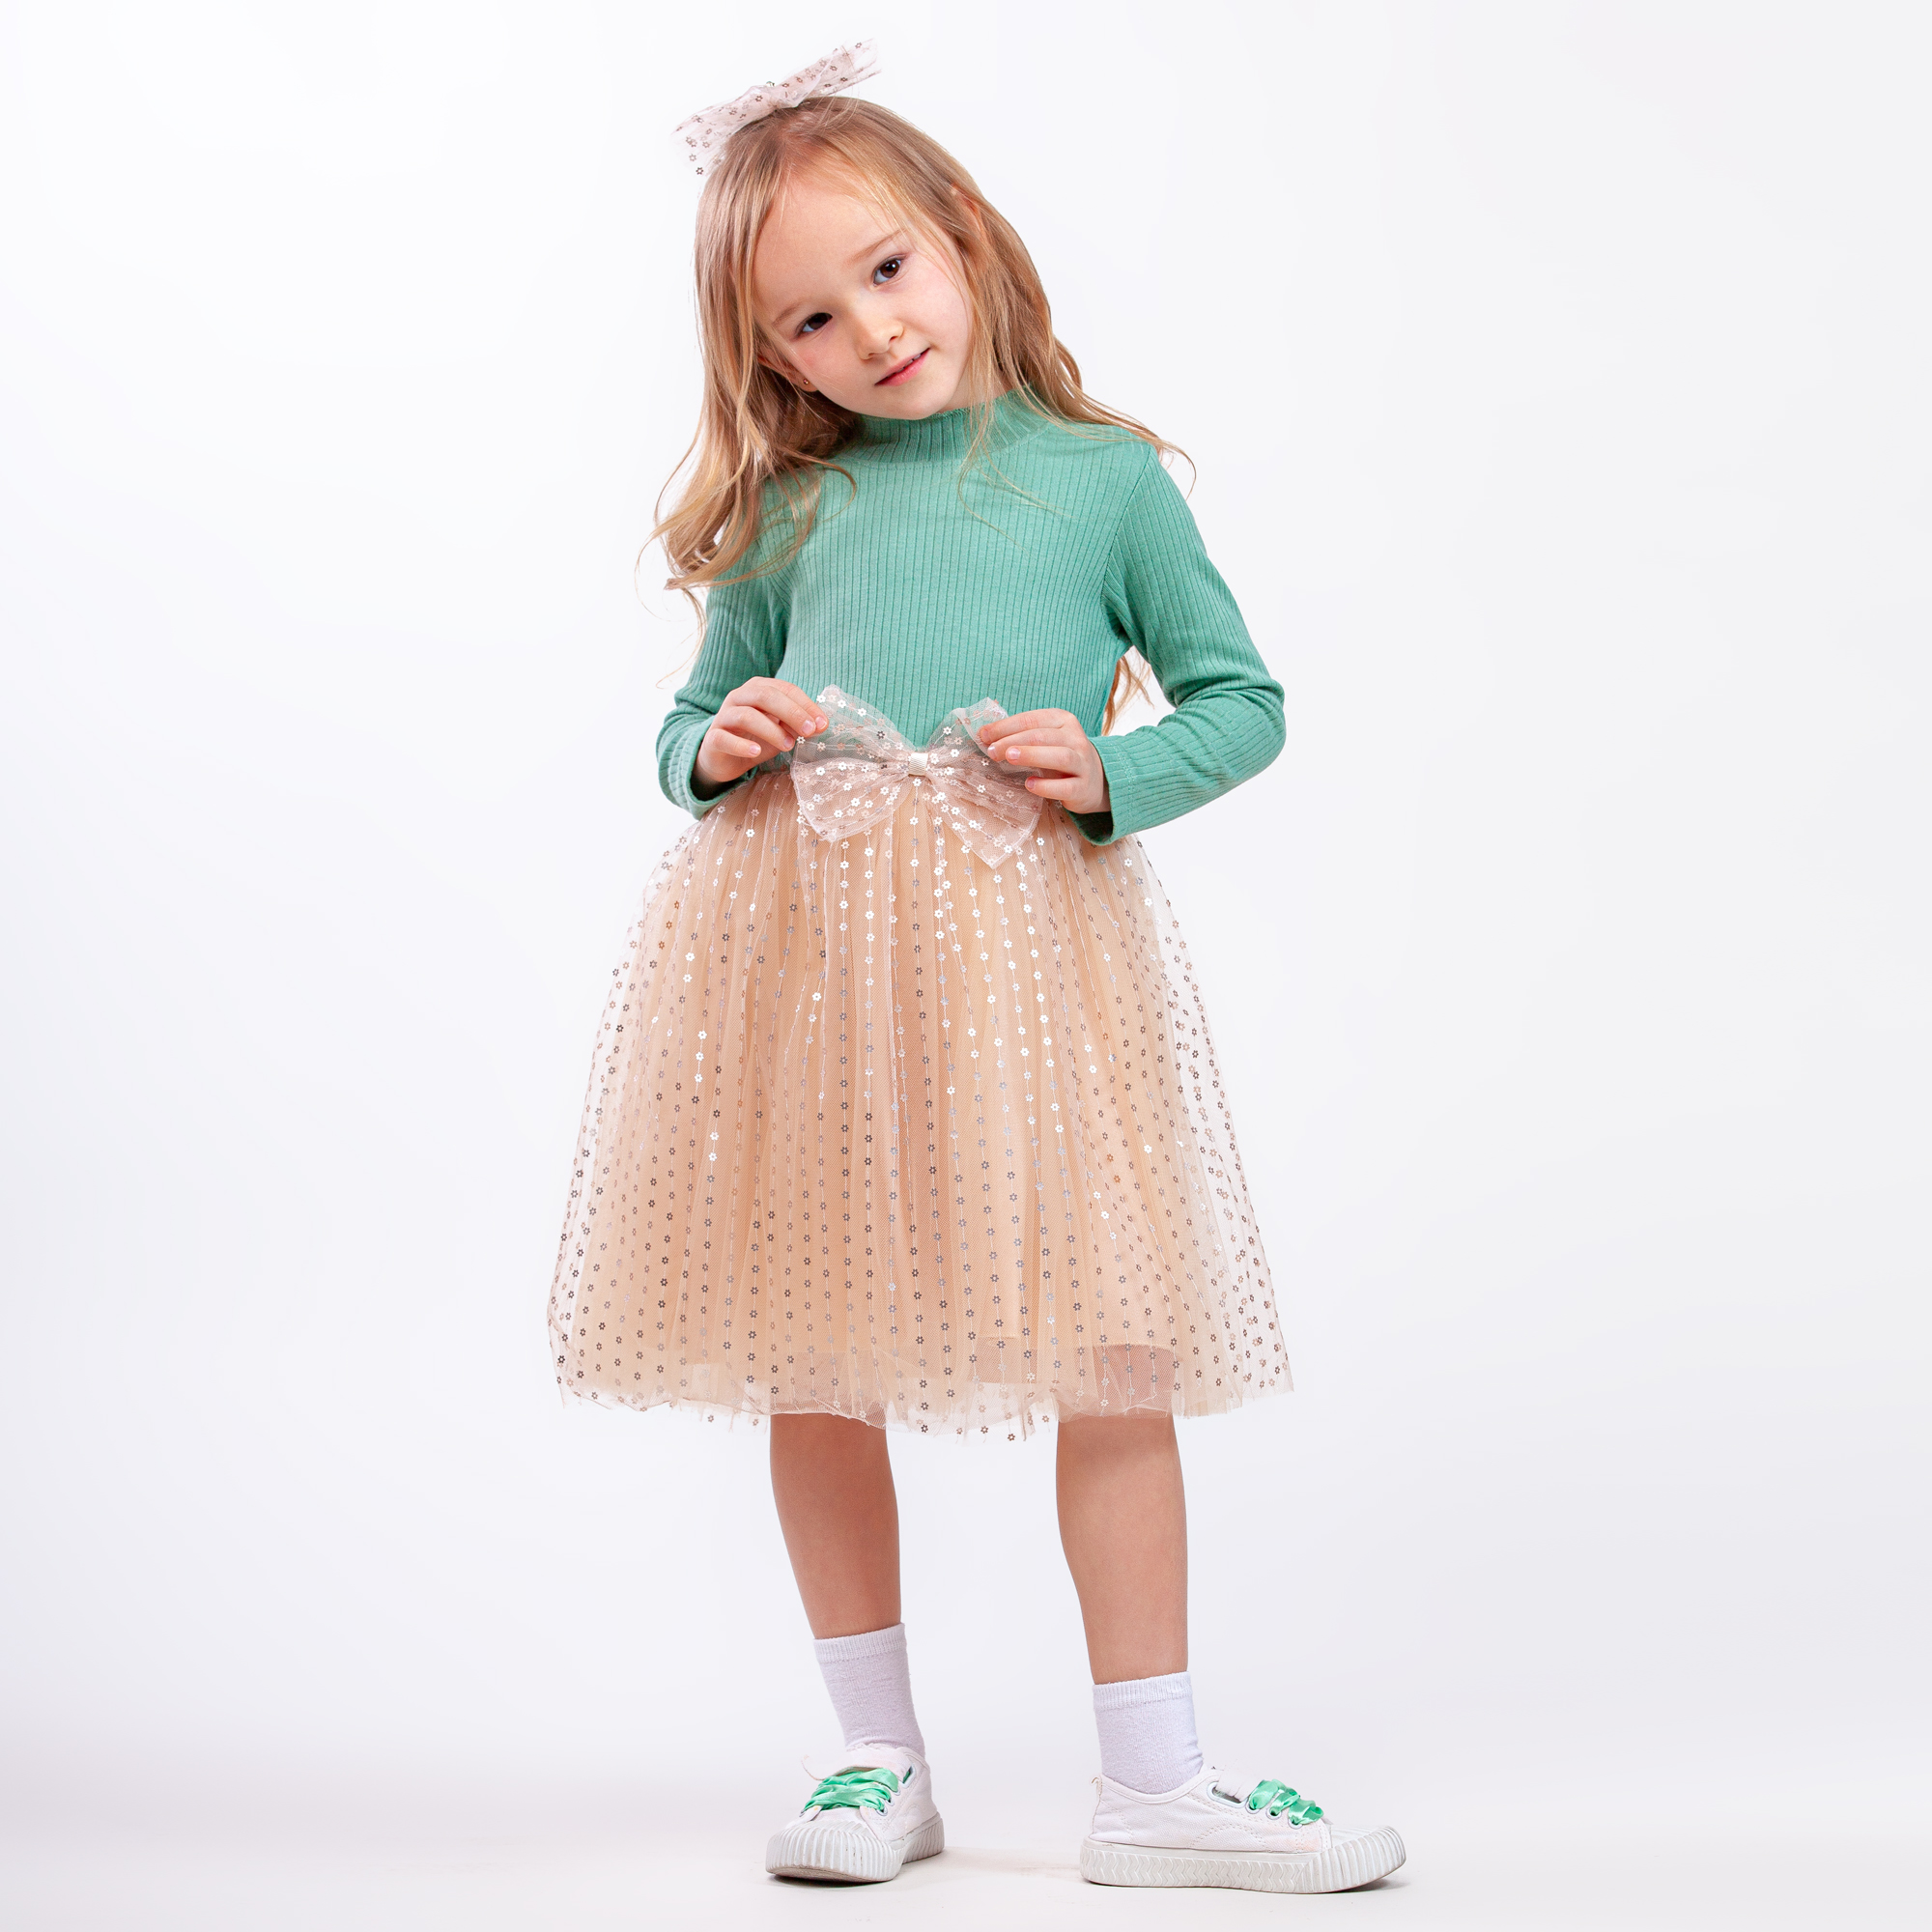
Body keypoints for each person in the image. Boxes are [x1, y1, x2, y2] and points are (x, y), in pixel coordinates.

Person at [548, 43, 1406, 1896]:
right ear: (771, 358)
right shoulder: (792, 512)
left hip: (1038, 977)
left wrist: (1112, 772)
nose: (869, 330)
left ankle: (1155, 1781)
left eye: (886, 270)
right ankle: (878, 1759)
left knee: (1114, 1346)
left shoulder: (1104, 485)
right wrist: (718, 745)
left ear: (962, 234)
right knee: (813, 1349)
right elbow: (693, 718)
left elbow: (1243, 701)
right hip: (812, 978)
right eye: (808, 319)